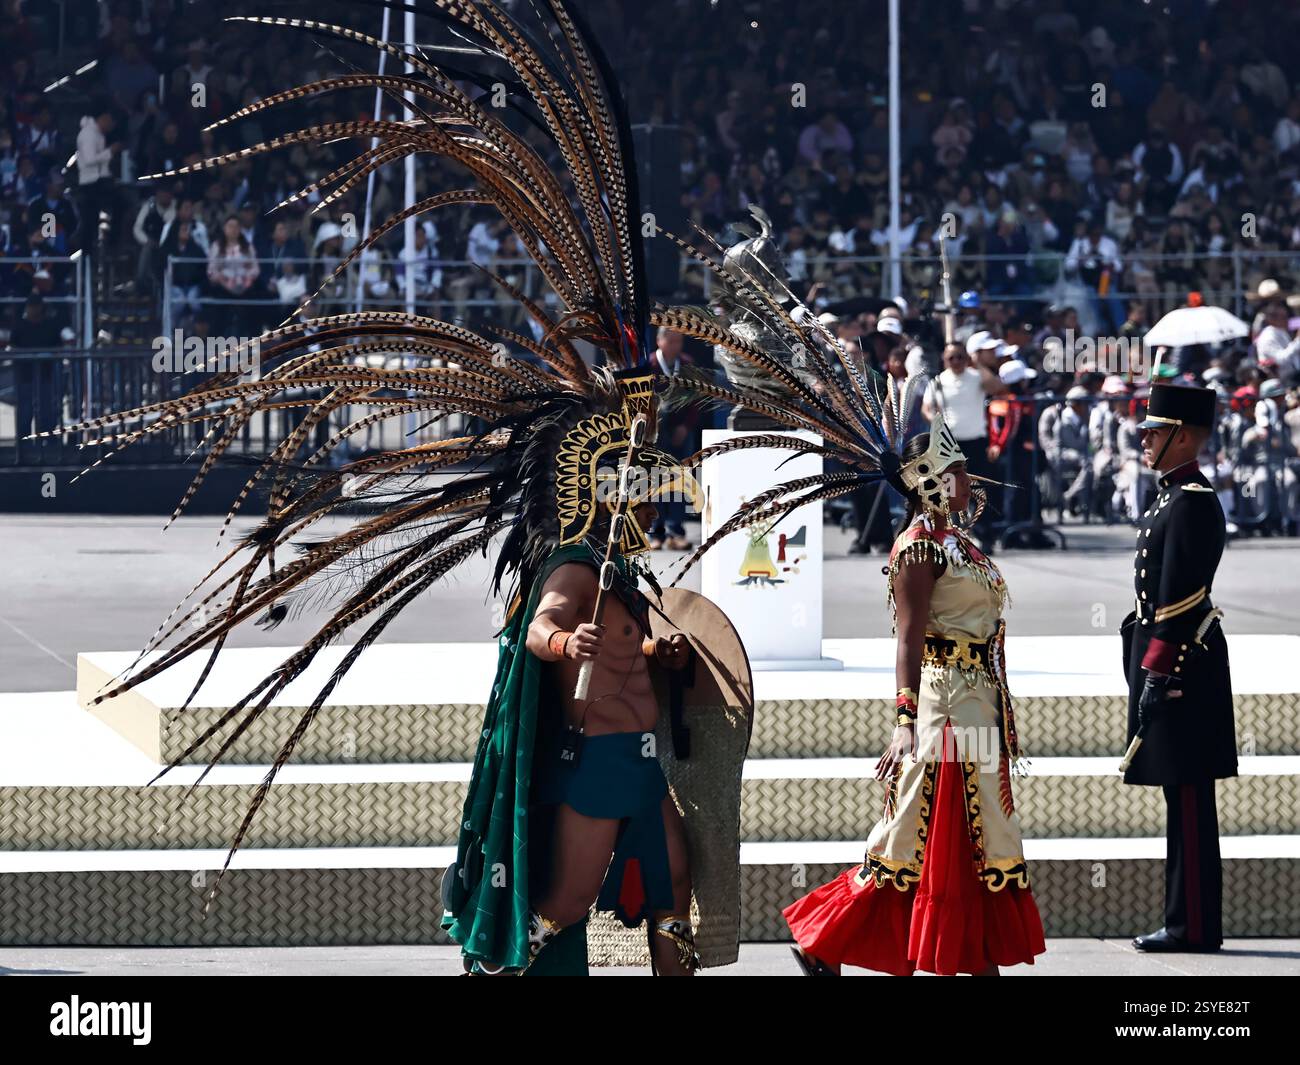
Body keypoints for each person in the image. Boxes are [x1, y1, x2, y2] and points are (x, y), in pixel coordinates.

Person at [783, 425, 1046, 975]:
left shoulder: (958, 540)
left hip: (979, 700)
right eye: (955, 470)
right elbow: (908, 636)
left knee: (969, 832)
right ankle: (827, 939)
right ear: (929, 480)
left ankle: (965, 955)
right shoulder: (919, 547)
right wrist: (903, 720)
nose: (967, 478)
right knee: (923, 833)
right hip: (945, 704)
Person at [1122, 383, 1236, 953]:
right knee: (1180, 794)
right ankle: (1187, 920)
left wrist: (1156, 674)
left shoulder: (1190, 501)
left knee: (1189, 797)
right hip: (1171, 660)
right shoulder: (1172, 497)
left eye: (1155, 430)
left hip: (1183, 666)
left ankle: (1191, 926)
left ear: (1183, 436)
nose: (1143, 438)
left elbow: (1179, 600)